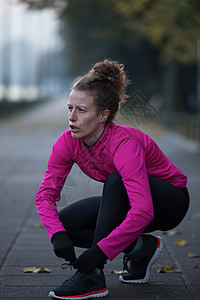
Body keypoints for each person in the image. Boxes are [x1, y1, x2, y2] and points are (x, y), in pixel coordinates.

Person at [35, 59, 190, 300]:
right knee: (65, 223)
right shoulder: (68, 142)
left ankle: (93, 277)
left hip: (170, 201)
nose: (72, 117)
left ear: (103, 115)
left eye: (81, 110)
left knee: (115, 181)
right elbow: (45, 195)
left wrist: (99, 253)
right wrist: (56, 234)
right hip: (128, 197)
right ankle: (142, 248)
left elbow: (144, 211)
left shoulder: (124, 144)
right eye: (70, 108)